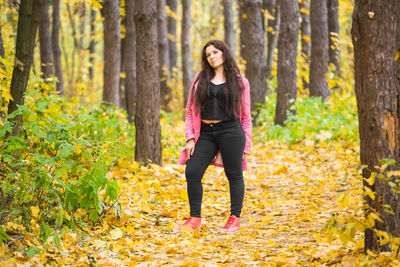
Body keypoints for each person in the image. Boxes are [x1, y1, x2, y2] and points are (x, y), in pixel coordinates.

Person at [175, 40, 252, 233]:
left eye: (215, 52)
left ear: (224, 53)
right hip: (206, 133)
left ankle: (234, 219)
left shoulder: (240, 82)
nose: (212, 57)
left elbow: (246, 115)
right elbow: (190, 109)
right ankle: (194, 219)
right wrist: (190, 137)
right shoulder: (200, 79)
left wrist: (246, 146)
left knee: (234, 175)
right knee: (192, 172)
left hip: (231, 132)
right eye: (208, 55)